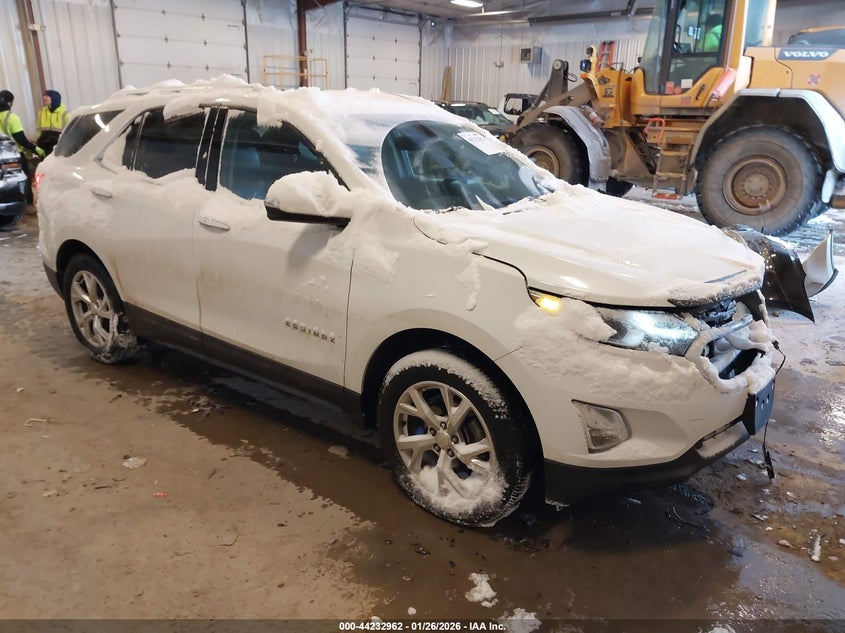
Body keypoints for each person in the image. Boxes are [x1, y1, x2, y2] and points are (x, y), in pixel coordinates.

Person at [0, 90, 45, 204]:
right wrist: (35, 148)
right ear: (10, 103)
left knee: (5, 182)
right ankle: (27, 204)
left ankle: (9, 205)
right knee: (22, 180)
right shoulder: (11, 117)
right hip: (13, 156)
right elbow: (20, 138)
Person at [36, 89, 69, 155]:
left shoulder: (64, 113)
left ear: (54, 98)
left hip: (58, 144)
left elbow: (69, 130)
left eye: (47, 96)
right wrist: (38, 140)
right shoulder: (42, 112)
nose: (44, 98)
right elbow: (39, 128)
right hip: (44, 143)